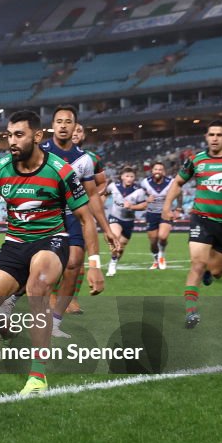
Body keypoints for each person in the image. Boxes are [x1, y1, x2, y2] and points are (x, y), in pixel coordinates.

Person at [0, 110, 105, 396]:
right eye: (8, 135)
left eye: (19, 135)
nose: (12, 141)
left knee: (38, 287)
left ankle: (37, 376)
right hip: (14, 244)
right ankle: (9, 334)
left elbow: (85, 219)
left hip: (51, 241)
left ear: (37, 136)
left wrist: (94, 263)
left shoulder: (60, 171)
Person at [162, 120, 222, 329]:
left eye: (219, 135)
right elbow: (178, 182)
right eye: (211, 134)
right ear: (206, 137)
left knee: (217, 272)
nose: (214, 138)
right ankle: (191, 312)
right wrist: (167, 205)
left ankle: (210, 271)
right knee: (197, 264)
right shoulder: (196, 160)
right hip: (201, 219)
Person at [38, 106, 118, 335]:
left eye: (68, 122)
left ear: (76, 128)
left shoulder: (84, 160)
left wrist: (106, 228)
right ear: (52, 125)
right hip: (44, 217)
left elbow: (92, 195)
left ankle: (55, 323)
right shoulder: (39, 151)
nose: (63, 126)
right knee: (41, 271)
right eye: (59, 121)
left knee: (73, 266)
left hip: (73, 217)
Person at [69, 123, 107, 311]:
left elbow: (101, 184)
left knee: (77, 260)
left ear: (83, 136)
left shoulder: (91, 159)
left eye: (79, 131)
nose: (75, 133)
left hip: (78, 214)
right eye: (72, 129)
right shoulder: (48, 155)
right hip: (53, 214)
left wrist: (93, 197)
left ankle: (72, 300)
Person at [105, 166, 149, 276]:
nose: (129, 178)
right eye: (127, 176)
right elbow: (104, 194)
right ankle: (112, 262)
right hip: (115, 217)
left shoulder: (138, 191)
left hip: (128, 221)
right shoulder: (113, 186)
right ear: (122, 177)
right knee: (115, 236)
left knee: (122, 246)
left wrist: (132, 207)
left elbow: (144, 206)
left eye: (132, 176)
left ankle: (113, 261)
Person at [141, 161, 181, 270]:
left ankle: (162, 256)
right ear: (152, 171)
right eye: (156, 169)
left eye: (160, 169)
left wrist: (178, 208)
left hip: (165, 213)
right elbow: (139, 195)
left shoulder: (171, 182)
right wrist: (145, 200)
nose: (158, 171)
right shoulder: (145, 182)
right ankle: (155, 259)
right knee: (153, 241)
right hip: (151, 214)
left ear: (164, 172)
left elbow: (179, 192)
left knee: (163, 237)